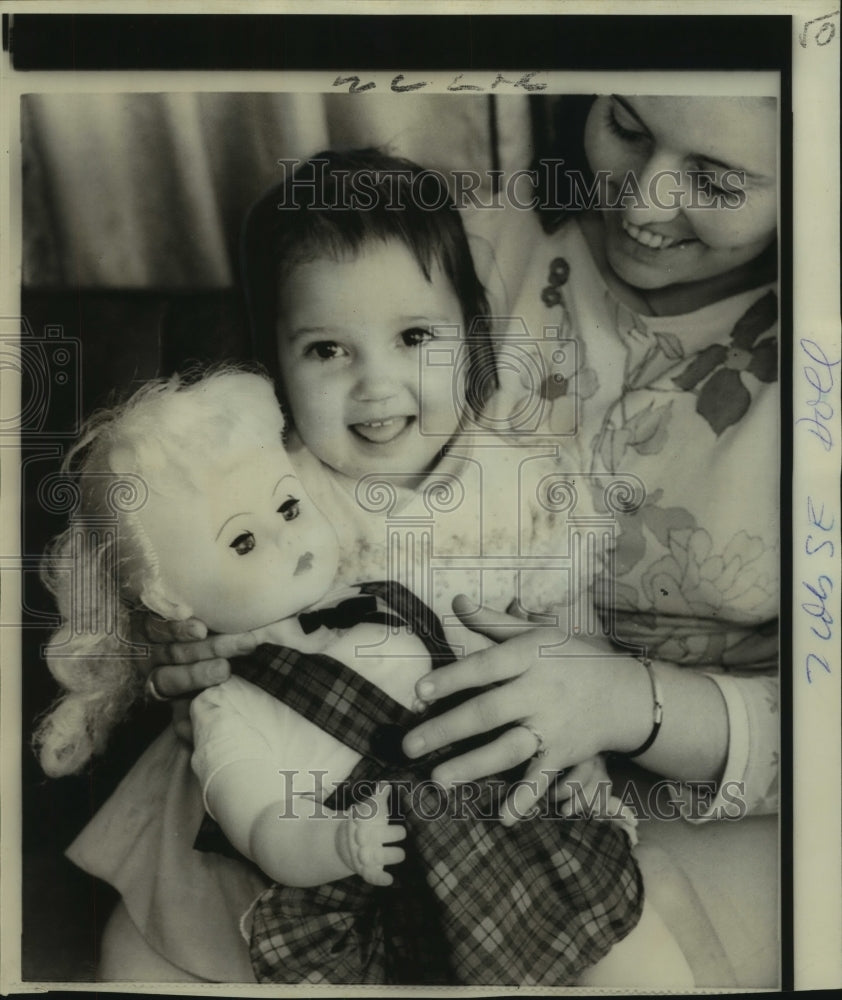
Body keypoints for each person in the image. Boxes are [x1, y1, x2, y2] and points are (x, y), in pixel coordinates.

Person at [55, 152, 697, 985]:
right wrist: (178, 661)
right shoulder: (269, 481)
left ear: (471, 336)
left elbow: (569, 645)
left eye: (415, 337)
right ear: (273, 365)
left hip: (459, 774)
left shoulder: (525, 488)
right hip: (279, 766)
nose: (376, 383)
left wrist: (581, 742)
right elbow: (169, 574)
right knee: (145, 944)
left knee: (617, 947)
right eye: (328, 349)